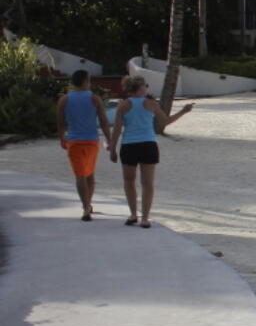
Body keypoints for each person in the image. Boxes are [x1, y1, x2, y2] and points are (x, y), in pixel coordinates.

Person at [109, 75, 193, 228]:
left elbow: (116, 130)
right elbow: (165, 122)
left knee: (129, 181)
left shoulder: (123, 105)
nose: (147, 88)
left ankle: (133, 214)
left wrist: (112, 149)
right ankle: (145, 218)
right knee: (147, 183)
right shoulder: (151, 104)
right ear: (140, 88)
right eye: (146, 85)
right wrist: (183, 111)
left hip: (129, 145)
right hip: (148, 144)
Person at [55, 69, 112, 221]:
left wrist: (62, 137)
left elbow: (60, 122)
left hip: (74, 141)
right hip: (92, 141)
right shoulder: (95, 98)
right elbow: (104, 121)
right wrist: (109, 139)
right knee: (90, 175)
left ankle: (86, 207)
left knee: (80, 176)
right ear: (86, 80)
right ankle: (88, 204)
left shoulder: (65, 99)